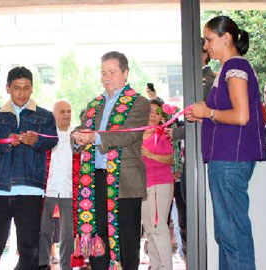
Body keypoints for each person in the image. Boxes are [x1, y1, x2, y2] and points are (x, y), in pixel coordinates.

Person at [186, 16, 266, 270]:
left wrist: (207, 112)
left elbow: (241, 116)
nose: (206, 46)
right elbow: (230, 116)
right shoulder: (231, 68)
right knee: (227, 233)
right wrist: (204, 117)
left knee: (232, 233)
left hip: (231, 160)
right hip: (228, 158)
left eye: (209, 40)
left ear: (226, 38)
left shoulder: (234, 67)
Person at [71, 51, 150, 270]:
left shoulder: (139, 103)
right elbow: (82, 131)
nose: (107, 77)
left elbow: (128, 134)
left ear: (125, 72)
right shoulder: (94, 104)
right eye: (103, 73)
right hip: (94, 179)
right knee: (99, 239)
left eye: (112, 72)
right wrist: (77, 138)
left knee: (126, 241)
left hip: (124, 182)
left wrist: (94, 136)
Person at [0, 66, 58, 270]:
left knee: (29, 250)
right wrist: (6, 141)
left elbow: (52, 141)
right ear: (8, 89)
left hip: (30, 190)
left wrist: (37, 141)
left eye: (26, 88)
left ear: (32, 89)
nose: (21, 93)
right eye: (16, 88)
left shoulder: (46, 116)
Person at [38, 99, 80, 270]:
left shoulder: (77, 135)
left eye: (69, 111)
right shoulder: (45, 135)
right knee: (44, 231)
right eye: (62, 111)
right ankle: (42, 264)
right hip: (47, 189)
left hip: (70, 191)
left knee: (69, 234)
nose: (66, 115)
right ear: (53, 114)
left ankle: (66, 266)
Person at [141, 99, 174, 270]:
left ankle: (166, 267)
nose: (153, 115)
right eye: (150, 111)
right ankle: (155, 266)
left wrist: (151, 154)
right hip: (142, 186)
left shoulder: (164, 134)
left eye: (157, 112)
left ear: (162, 116)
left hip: (160, 184)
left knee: (158, 227)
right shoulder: (136, 134)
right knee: (149, 229)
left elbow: (171, 160)